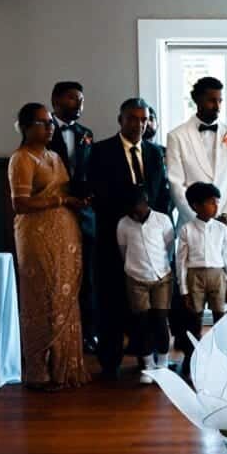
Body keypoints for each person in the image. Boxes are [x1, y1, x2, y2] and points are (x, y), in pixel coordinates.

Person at [9, 102, 90, 391]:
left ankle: (64, 368)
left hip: (65, 233)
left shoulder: (54, 155)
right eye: (42, 123)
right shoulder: (22, 159)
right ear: (26, 127)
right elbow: (20, 203)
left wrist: (78, 199)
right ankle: (39, 370)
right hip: (36, 235)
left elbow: (67, 190)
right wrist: (61, 201)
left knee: (65, 296)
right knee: (43, 296)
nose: (49, 127)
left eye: (50, 123)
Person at [88, 98, 170, 378]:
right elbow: (97, 193)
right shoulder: (101, 152)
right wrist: (130, 214)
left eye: (144, 119)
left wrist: (151, 222)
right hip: (114, 237)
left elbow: (162, 195)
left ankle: (145, 358)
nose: (139, 124)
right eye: (133, 118)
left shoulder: (155, 152)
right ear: (120, 120)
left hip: (149, 242)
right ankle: (110, 362)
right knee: (111, 300)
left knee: (146, 308)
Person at [166, 76, 227, 260]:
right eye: (212, 100)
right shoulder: (177, 136)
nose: (217, 106)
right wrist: (200, 217)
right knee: (192, 284)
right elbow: (176, 184)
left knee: (226, 283)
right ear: (197, 100)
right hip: (192, 225)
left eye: (220, 100)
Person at [47, 80, 98, 352]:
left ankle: (88, 334)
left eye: (80, 99)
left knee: (87, 274)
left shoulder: (85, 133)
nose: (78, 104)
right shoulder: (43, 132)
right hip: (55, 211)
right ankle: (59, 332)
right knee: (59, 274)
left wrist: (89, 196)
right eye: (71, 98)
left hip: (85, 214)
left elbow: (91, 170)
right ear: (55, 101)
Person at [175, 182, 227, 369]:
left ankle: (222, 358)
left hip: (218, 277)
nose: (216, 207)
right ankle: (191, 358)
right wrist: (184, 290)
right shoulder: (187, 230)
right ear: (196, 205)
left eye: (217, 202)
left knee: (221, 317)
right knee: (194, 320)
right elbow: (181, 262)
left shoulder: (221, 229)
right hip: (195, 277)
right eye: (211, 202)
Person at [115, 186, 176, 373]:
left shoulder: (162, 220)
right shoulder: (123, 225)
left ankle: (163, 362)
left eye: (137, 207)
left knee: (160, 319)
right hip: (136, 279)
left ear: (145, 202)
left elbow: (169, 246)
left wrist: (162, 267)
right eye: (130, 209)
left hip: (162, 278)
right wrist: (135, 268)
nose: (134, 212)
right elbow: (123, 251)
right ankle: (148, 365)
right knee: (141, 323)